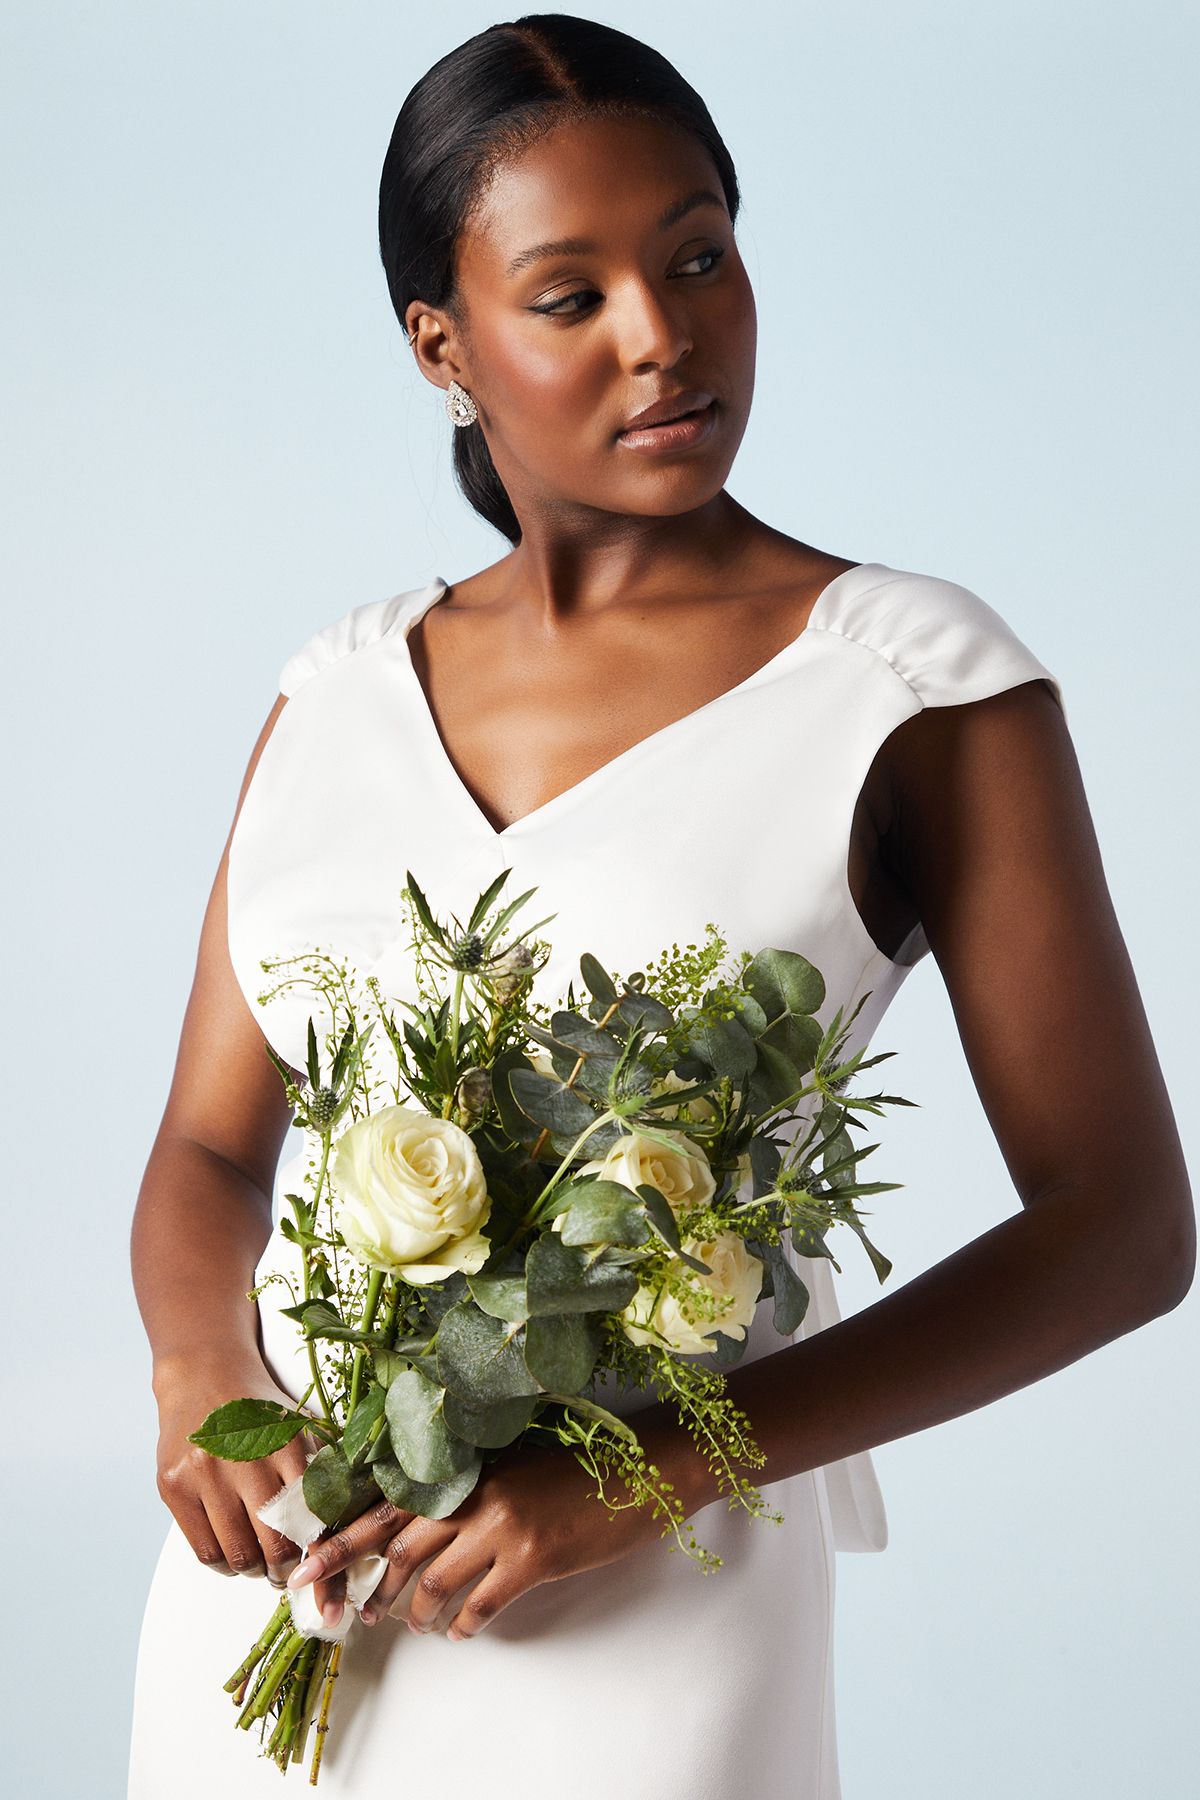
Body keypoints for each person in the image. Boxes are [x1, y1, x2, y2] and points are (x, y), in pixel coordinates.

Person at [126, 14, 1194, 1798]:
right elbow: (210, 1157)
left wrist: (648, 1470)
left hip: (646, 1608)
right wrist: (193, 1386)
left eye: (699, 254)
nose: (666, 333)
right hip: (284, 1590)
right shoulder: (333, 700)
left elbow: (1124, 1226)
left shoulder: (919, 692)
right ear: (440, 346)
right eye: (574, 295)